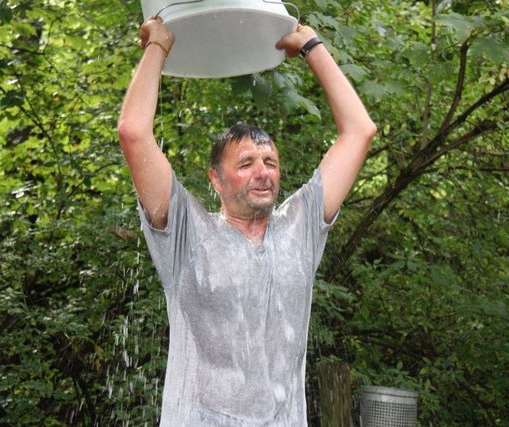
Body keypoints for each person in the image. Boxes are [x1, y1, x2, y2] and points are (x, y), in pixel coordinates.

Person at [118, 15, 376, 427]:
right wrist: (158, 47)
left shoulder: (300, 228)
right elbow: (133, 132)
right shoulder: (188, 232)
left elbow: (359, 131)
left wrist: (310, 45)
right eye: (247, 163)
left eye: (270, 162)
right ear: (215, 180)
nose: (263, 172)